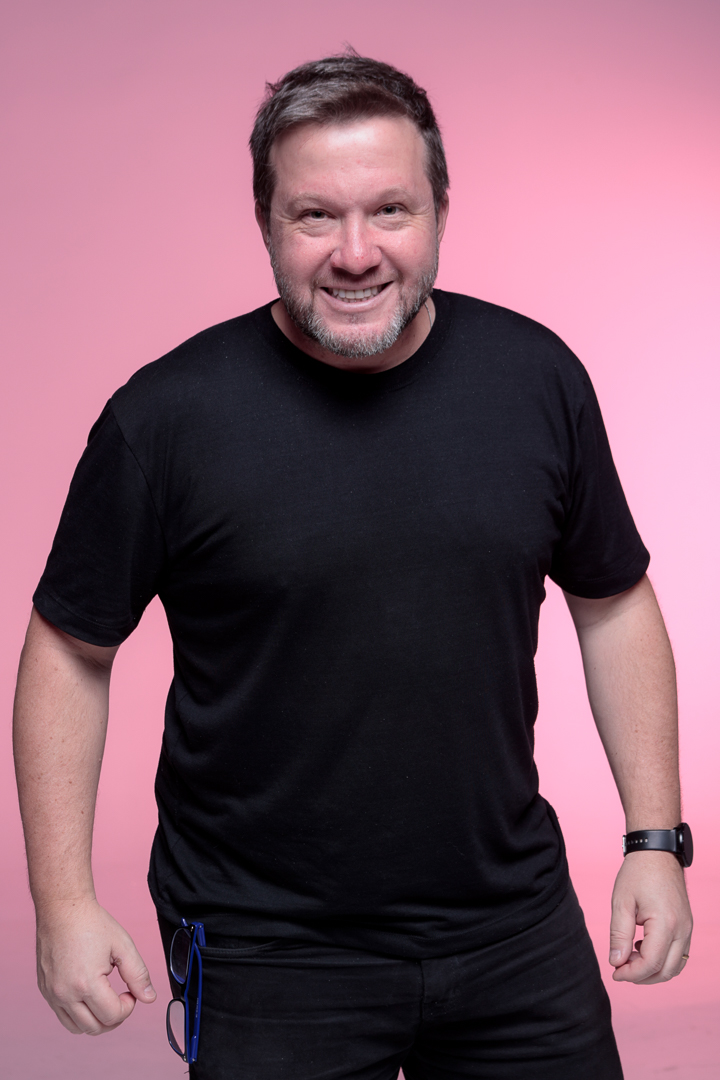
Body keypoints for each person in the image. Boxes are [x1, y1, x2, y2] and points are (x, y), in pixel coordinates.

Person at [14, 51, 692, 1080]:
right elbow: (69, 650)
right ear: (266, 223)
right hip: (269, 949)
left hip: (512, 929)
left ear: (440, 211)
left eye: (390, 210)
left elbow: (613, 603)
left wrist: (653, 841)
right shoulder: (164, 420)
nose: (356, 253)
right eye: (315, 216)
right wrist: (63, 902)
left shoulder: (536, 380)